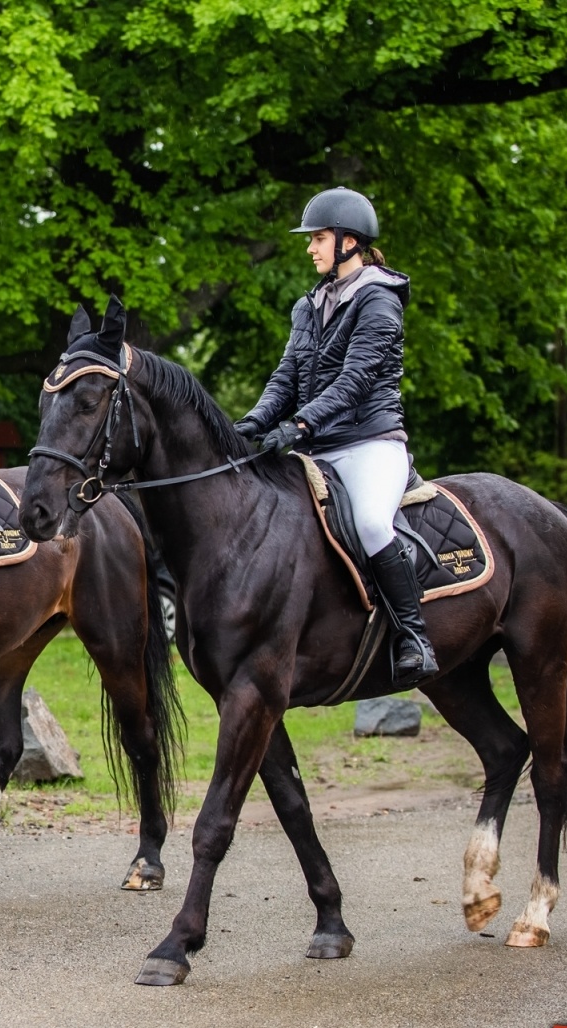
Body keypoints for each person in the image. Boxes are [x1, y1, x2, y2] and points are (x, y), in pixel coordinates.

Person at [233, 186, 439, 687]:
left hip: (371, 443)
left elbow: (356, 380)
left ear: (350, 241)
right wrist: (250, 425)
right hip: (317, 450)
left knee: (371, 522)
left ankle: (415, 638)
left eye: (319, 238)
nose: (310, 248)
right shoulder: (309, 305)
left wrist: (300, 425)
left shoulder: (379, 299)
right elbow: (285, 378)